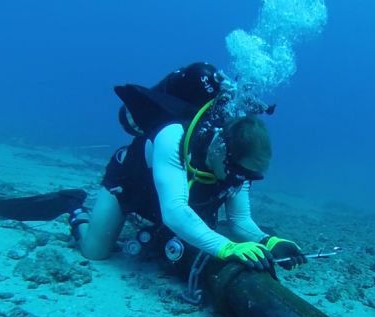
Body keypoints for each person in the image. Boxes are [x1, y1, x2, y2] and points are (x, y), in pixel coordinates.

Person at [68, 62, 307, 271]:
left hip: (163, 200)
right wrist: (226, 247)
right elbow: (174, 211)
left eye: (249, 176)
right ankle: (76, 211)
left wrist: (271, 242)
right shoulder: (174, 136)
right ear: (221, 150)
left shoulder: (237, 170)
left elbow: (239, 221)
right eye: (240, 174)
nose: (240, 181)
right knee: (95, 251)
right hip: (130, 183)